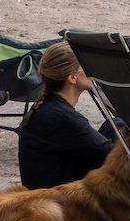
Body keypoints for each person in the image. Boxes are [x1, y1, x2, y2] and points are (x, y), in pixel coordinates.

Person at [16, 42, 113, 190]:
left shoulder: (48, 107)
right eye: (85, 66)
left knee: (114, 126)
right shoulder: (61, 117)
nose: (91, 70)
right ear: (72, 78)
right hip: (59, 203)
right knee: (123, 140)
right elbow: (112, 155)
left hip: (49, 192)